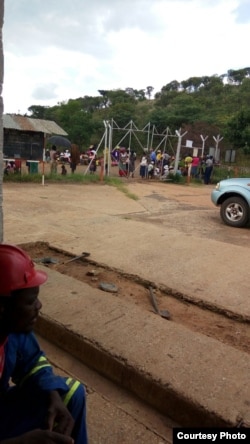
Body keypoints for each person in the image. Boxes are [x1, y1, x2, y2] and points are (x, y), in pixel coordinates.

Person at [0, 243, 88, 444]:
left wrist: (51, 394)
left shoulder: (11, 331)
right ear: (2, 308)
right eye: (30, 302)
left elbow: (33, 363)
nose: (39, 306)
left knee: (71, 394)